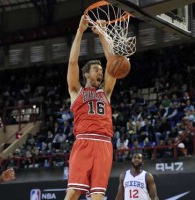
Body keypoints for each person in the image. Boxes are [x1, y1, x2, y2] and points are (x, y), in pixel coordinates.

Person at [64, 15, 117, 200]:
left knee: (97, 196)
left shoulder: (106, 92)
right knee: (73, 193)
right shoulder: (76, 91)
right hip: (84, 141)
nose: (101, 72)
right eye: (97, 70)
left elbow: (114, 64)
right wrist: (80, 31)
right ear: (86, 74)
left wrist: (102, 34)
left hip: (104, 144)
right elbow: (72, 63)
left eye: (101, 70)